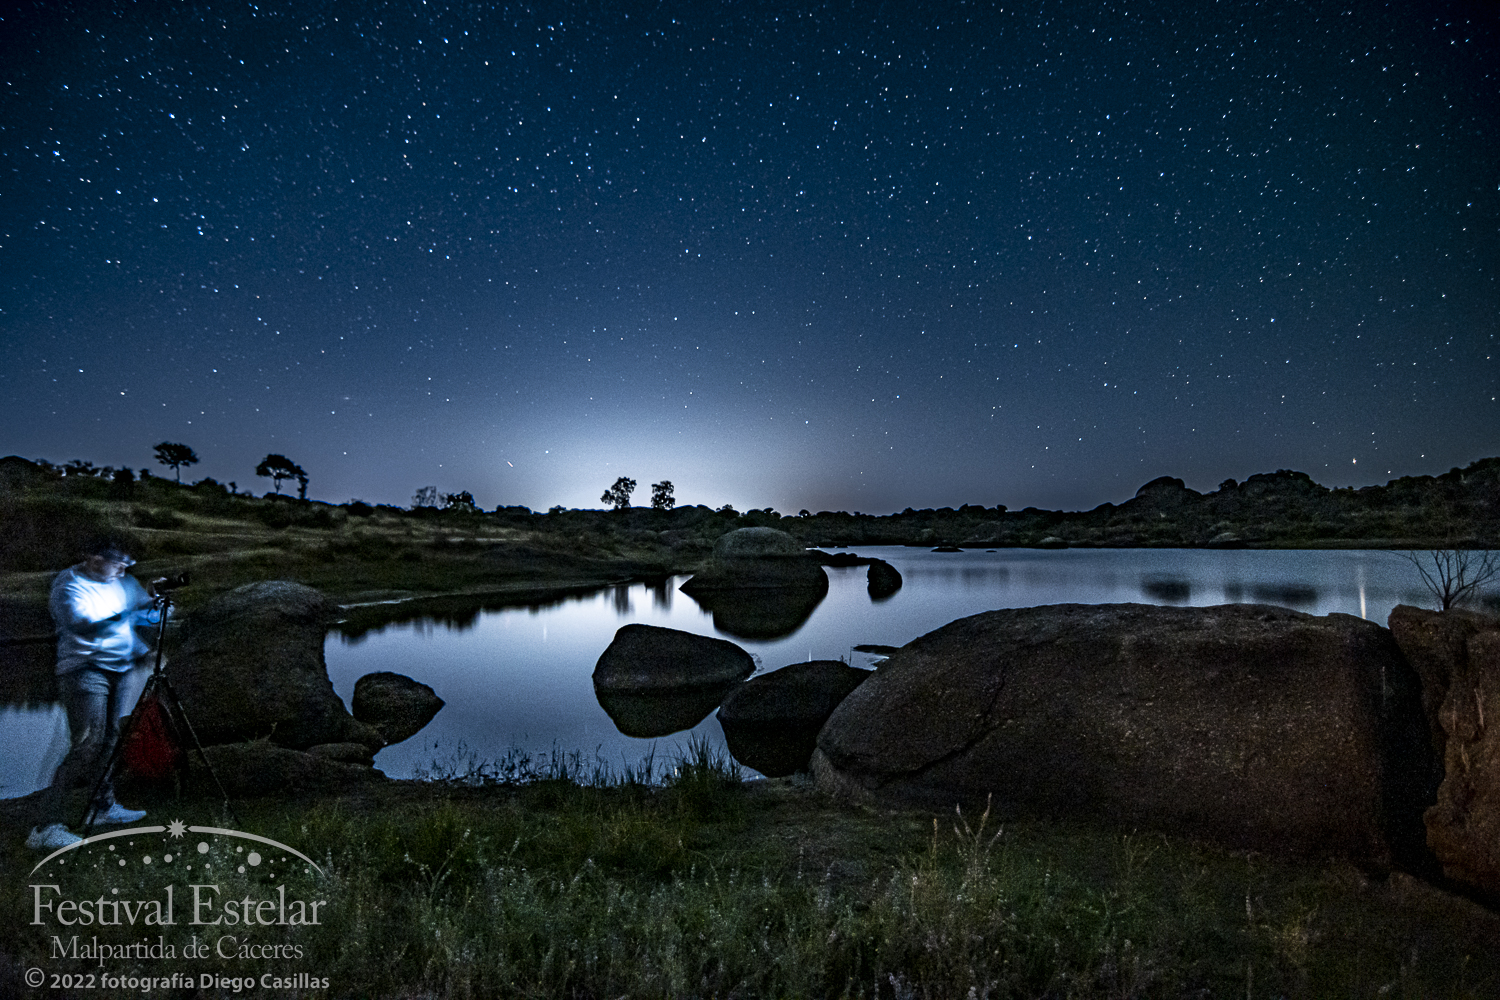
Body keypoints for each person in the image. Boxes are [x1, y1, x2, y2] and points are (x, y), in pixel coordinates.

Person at [27, 540, 159, 851]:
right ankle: (44, 828)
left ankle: (102, 806)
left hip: (118, 669)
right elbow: (81, 625)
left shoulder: (123, 581)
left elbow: (145, 614)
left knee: (110, 740)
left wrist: (155, 603)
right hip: (85, 671)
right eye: (118, 563)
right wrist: (127, 613)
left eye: (128, 564)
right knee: (87, 744)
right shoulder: (68, 584)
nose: (124, 570)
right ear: (93, 559)